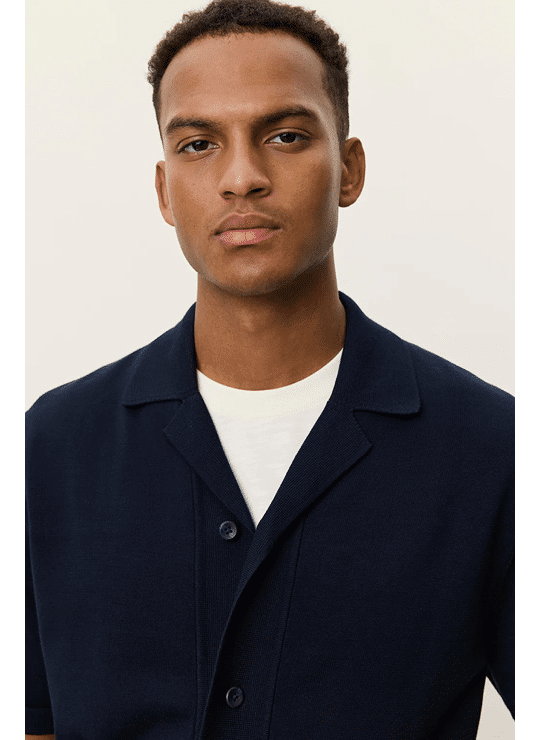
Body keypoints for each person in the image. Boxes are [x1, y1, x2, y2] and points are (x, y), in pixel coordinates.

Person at [25, 0, 514, 738]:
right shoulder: (51, 447)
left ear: (349, 169)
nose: (242, 178)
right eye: (198, 144)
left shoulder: (495, 449)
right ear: (164, 191)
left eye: (285, 136)